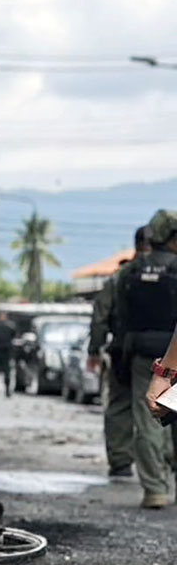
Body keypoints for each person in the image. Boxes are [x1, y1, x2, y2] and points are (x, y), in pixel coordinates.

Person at [116, 209, 177, 508]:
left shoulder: (131, 271)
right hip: (170, 351)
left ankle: (155, 489)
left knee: (151, 421)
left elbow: (120, 318)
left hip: (145, 355)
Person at [87, 227, 152, 478]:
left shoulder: (120, 277)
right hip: (164, 351)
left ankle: (121, 460)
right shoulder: (170, 273)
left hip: (123, 350)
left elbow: (100, 316)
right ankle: (161, 462)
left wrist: (95, 348)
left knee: (119, 405)